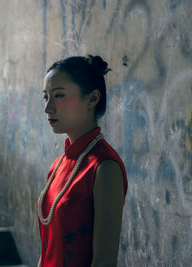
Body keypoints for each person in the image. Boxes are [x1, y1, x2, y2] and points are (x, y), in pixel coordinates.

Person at [37, 55, 128, 267]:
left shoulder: (104, 167)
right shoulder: (58, 165)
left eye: (58, 96)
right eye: (46, 97)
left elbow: (104, 260)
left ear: (92, 99)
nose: (48, 108)